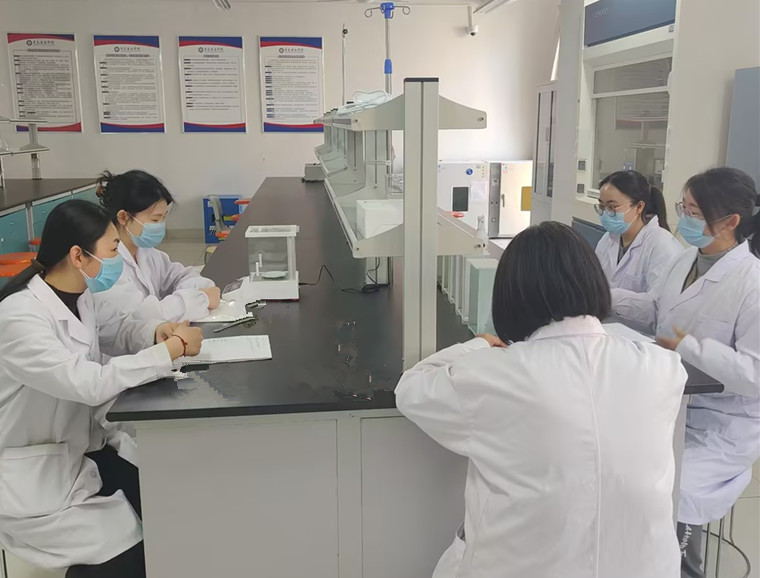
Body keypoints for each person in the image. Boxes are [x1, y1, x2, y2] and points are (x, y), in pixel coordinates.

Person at [396, 221, 688, 578]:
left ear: (512, 296)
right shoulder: (663, 368)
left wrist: (479, 344)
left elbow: (411, 389)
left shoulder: (496, 374)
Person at [0, 200, 203, 577]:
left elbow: (116, 330)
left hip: (79, 450)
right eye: (112, 250)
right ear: (78, 255)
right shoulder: (19, 317)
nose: (117, 260)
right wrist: (168, 351)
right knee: (127, 552)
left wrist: (155, 333)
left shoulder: (81, 296)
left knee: (164, 505)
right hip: (31, 478)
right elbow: (86, 382)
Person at [611, 167, 760, 578]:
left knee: (676, 490)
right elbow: (657, 310)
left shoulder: (752, 283)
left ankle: (684, 567)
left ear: (731, 221)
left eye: (695, 213)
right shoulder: (685, 260)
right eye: (684, 208)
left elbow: (753, 374)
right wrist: (604, 295)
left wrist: (689, 346)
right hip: (670, 405)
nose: (685, 219)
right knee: (623, 467)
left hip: (721, 426)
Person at [93, 170, 221, 323]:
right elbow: (140, 317)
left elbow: (179, 275)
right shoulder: (106, 265)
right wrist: (200, 299)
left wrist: (198, 291)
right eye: (155, 220)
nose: (161, 225)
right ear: (123, 217)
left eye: (163, 218)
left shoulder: (144, 251)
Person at [594, 170, 683, 292]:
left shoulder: (663, 246)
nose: (605, 213)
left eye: (612, 207)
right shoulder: (607, 240)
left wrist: (612, 297)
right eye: (601, 206)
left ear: (639, 207)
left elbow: (658, 300)